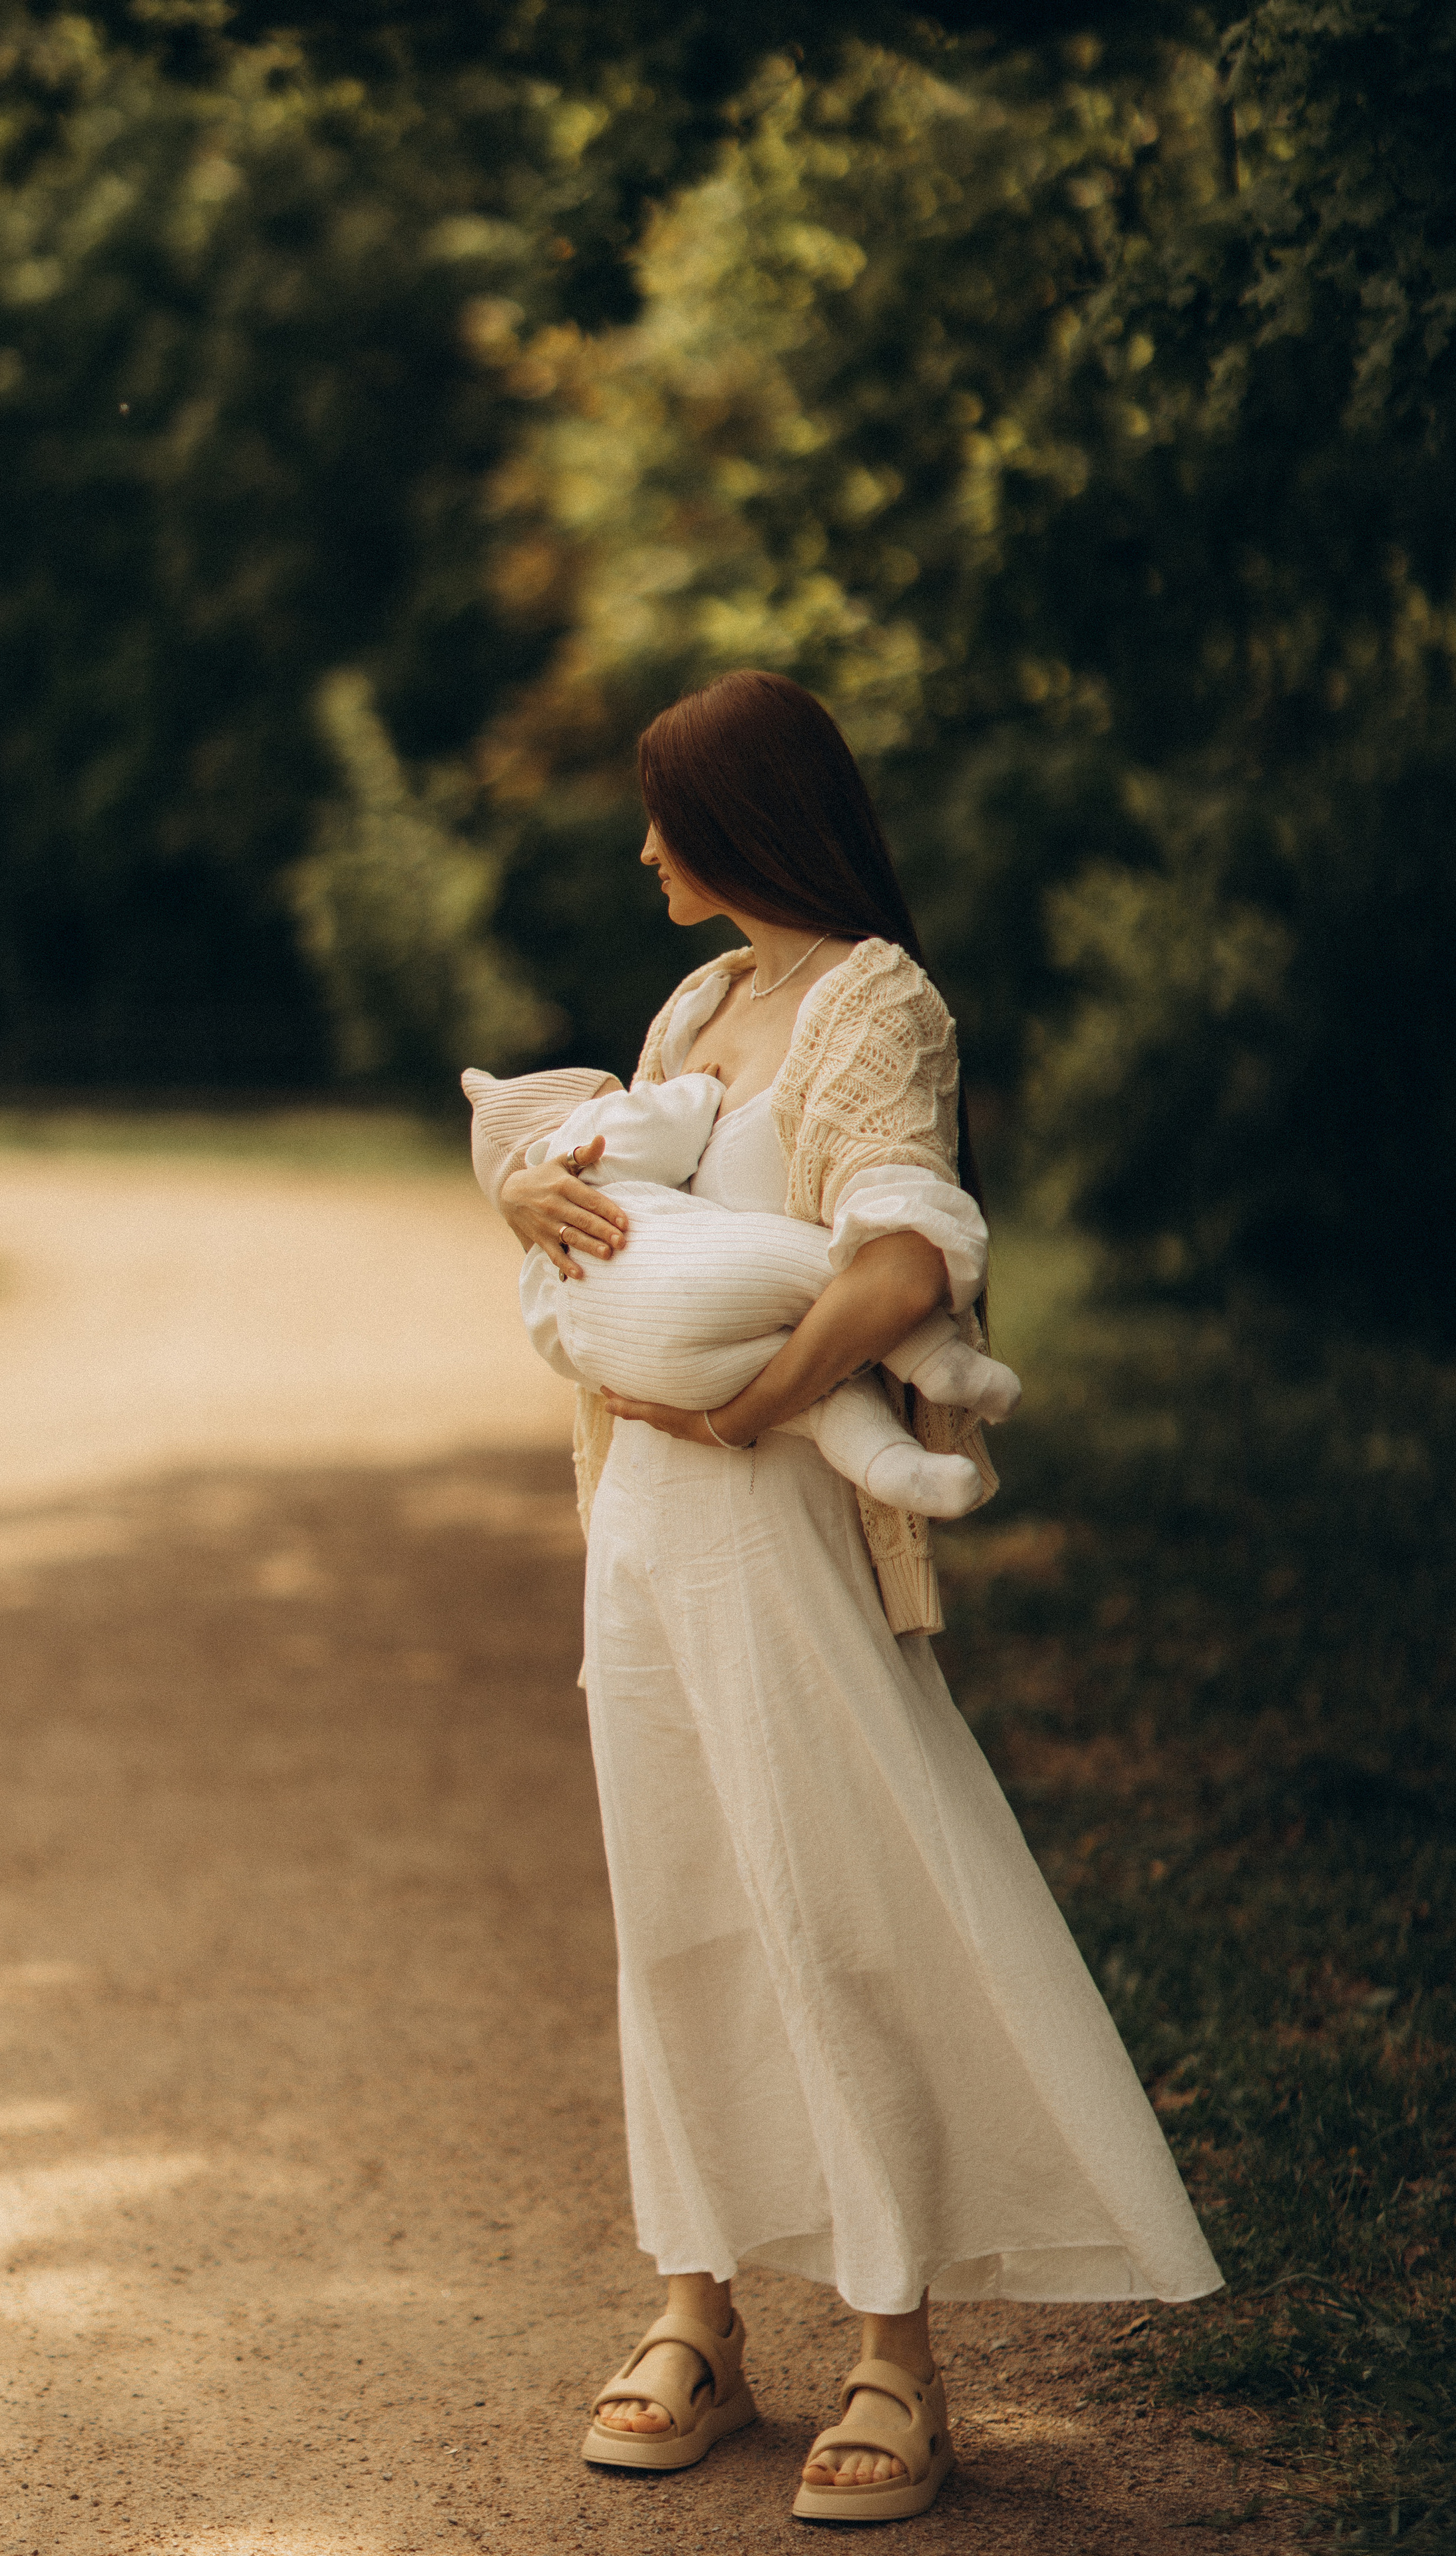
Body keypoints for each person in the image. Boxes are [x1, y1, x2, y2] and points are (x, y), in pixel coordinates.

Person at [495, 671, 1221, 2527]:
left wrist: (751, 1403)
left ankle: (899, 2356)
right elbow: (620, 1204)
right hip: (644, 1522)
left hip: (776, 1519)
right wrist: (534, 1204)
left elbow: (905, 1254)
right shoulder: (697, 999)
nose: (644, 846)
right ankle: (698, 2315)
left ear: (745, 820)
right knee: (676, 1914)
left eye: (668, 813)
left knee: (831, 1914)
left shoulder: (875, 997)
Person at [461, 1058, 1023, 1516]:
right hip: (698, 1286)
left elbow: (565, 1353)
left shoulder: (540, 1280)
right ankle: (941, 1361)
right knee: (818, 1284)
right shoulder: (584, 1143)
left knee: (819, 1404)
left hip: (660, 1381)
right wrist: (693, 1089)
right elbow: (673, 1128)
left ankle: (897, 1470)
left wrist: (640, 1359)